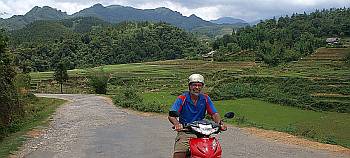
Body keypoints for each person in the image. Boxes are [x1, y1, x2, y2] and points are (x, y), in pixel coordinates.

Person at [168, 74, 227, 158]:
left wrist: (220, 123)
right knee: (181, 151)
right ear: (189, 86)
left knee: (213, 151)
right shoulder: (182, 98)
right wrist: (177, 124)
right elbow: (171, 115)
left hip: (202, 131)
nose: (197, 87)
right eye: (194, 85)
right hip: (186, 130)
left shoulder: (205, 98)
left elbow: (214, 113)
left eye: (199, 85)